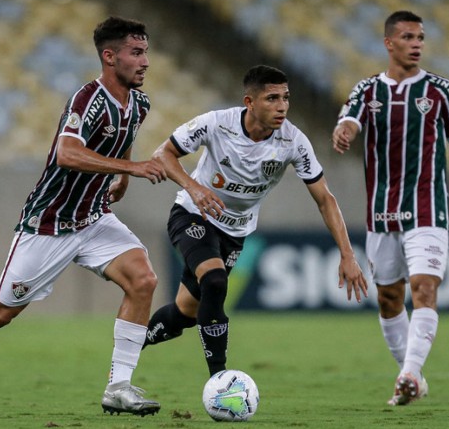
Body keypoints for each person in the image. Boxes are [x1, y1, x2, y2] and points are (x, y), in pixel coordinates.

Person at [0, 17, 168, 420]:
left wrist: (123, 178)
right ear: (109, 57)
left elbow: (124, 138)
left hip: (93, 218)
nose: (145, 60)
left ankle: (118, 387)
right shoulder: (88, 100)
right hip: (49, 223)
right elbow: (66, 153)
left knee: (143, 279)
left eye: (146, 51)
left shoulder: (140, 103)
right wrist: (131, 170)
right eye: (136, 52)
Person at [143, 65, 368, 377]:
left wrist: (347, 254)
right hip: (194, 215)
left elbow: (325, 199)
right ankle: (220, 379)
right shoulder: (216, 123)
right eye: (272, 98)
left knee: (186, 313)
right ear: (249, 102)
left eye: (286, 98)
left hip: (235, 232)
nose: (282, 107)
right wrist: (193, 188)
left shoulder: (294, 142)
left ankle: (133, 343)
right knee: (215, 280)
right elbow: (163, 154)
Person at [332, 10, 449, 406]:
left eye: (420, 37)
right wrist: (344, 131)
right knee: (388, 298)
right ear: (389, 43)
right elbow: (349, 120)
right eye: (407, 37)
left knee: (423, 288)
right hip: (381, 212)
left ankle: (407, 375)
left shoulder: (441, 91)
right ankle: (412, 377)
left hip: (427, 207)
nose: (417, 44)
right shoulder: (367, 90)